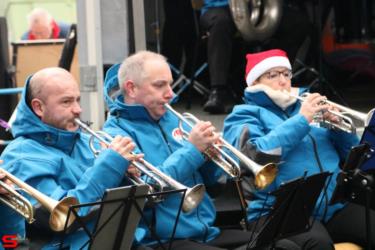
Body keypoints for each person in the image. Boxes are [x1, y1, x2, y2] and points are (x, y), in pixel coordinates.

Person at [102, 51, 304, 250]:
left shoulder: (175, 119)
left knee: (284, 246)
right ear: (131, 89)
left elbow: (213, 188)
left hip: (206, 232)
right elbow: (147, 192)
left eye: (170, 84)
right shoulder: (115, 134)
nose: (171, 94)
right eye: (159, 85)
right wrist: (193, 150)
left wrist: (211, 157)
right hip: (162, 240)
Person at [223, 49, 375, 249]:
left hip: (331, 206)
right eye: (273, 75)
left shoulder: (310, 106)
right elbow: (256, 155)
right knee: (318, 244)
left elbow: (353, 157)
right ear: (254, 82)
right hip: (278, 212)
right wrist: (301, 121)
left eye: (286, 74)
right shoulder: (242, 115)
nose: (283, 80)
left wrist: (339, 128)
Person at [0, 67, 137, 249]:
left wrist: (126, 175)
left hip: (116, 240)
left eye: (78, 100)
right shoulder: (21, 155)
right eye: (66, 102)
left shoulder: (89, 140)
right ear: (39, 107)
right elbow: (62, 219)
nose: (78, 110)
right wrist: (108, 168)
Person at [200, 0, 236, 114]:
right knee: (220, 22)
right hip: (216, 8)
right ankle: (218, 92)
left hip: (253, 10)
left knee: (285, 20)